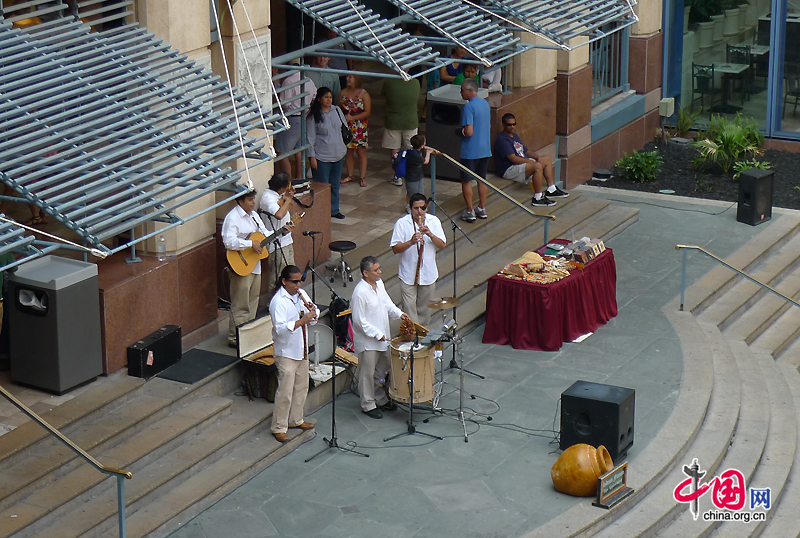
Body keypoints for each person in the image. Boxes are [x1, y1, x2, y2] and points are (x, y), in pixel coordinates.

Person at [351, 256, 410, 419]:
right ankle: (368, 404)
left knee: (382, 368)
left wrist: (400, 314)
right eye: (376, 270)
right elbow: (358, 321)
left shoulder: (380, 284)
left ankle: (380, 398)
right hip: (369, 341)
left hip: (383, 339)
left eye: (379, 268)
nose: (380, 272)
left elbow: (387, 304)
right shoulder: (359, 293)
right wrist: (377, 334)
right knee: (367, 373)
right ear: (365, 273)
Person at [269, 265, 318, 442]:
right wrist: (301, 321)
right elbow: (281, 328)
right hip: (286, 353)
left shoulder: (301, 294)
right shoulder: (278, 302)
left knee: (301, 387)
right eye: (294, 282)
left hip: (301, 349)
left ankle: (296, 419)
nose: (298, 285)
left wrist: (313, 314)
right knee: (285, 392)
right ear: (284, 281)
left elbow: (315, 313)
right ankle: (279, 427)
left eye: (300, 281)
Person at [221, 188, 270, 348]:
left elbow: (264, 234)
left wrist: (281, 232)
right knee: (240, 303)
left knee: (253, 300)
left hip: (254, 264)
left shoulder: (254, 216)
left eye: (253, 199)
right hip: (240, 265)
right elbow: (228, 241)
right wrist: (250, 244)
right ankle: (235, 338)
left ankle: (248, 334)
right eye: (250, 200)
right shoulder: (233, 218)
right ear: (240, 201)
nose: (253, 202)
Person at [390, 193, 446, 327]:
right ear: (410, 208)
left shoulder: (434, 221)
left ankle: (420, 335)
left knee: (425, 310)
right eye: (416, 208)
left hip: (428, 273)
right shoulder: (402, 223)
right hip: (408, 274)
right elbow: (395, 248)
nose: (420, 211)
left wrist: (430, 234)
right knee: (409, 308)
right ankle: (411, 335)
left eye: (423, 208)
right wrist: (410, 242)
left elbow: (442, 245)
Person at [494, 113, 568, 206]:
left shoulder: (514, 136)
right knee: (537, 166)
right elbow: (513, 159)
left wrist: (537, 158)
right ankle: (538, 197)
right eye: (509, 125)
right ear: (503, 125)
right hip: (509, 169)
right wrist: (531, 162)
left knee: (546, 159)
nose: (512, 127)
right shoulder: (502, 140)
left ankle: (551, 189)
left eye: (514, 124)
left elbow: (526, 151)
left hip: (521, 163)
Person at [306, 86, 347, 219]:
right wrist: (311, 156)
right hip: (321, 156)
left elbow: (344, 127)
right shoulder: (314, 116)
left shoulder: (337, 110)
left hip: (338, 153)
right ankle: (321, 210)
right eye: (326, 97)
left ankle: (334, 209)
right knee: (322, 186)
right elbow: (310, 137)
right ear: (319, 99)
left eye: (330, 97)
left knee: (335, 185)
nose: (329, 100)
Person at [274, 59, 317, 178]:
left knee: (282, 153)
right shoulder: (308, 80)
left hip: (291, 118)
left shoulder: (288, 81)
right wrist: (308, 108)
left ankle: (287, 183)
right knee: (298, 150)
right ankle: (299, 179)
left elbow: (284, 104)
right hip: (303, 117)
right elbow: (314, 95)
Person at [458, 78, 491, 222]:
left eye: (462, 90)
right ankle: (482, 208)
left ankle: (470, 210)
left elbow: (469, 131)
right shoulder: (485, 104)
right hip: (485, 148)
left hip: (470, 150)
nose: (461, 93)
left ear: (470, 91)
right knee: (481, 179)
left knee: (466, 181)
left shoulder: (468, 107)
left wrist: (461, 132)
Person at [260, 172, 297, 296]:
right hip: (277, 244)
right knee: (278, 278)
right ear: (282, 187)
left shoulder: (278, 196)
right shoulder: (268, 198)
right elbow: (279, 214)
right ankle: (273, 303)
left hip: (286, 240)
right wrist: (288, 199)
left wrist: (287, 198)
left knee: (291, 275)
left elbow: (286, 210)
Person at [381, 74, 421, 187]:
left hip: (393, 121)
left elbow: (383, 94)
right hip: (411, 121)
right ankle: (411, 174)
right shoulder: (415, 82)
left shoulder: (389, 82)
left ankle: (397, 176)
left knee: (395, 151)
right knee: (412, 149)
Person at [338, 74, 371, 188]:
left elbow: (367, 111)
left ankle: (362, 177)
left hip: (359, 126)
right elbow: (338, 107)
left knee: (361, 151)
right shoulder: (342, 93)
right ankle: (350, 174)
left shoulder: (364, 94)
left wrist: (353, 118)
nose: (348, 79)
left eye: (350, 77)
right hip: (346, 125)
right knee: (349, 150)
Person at [403, 134, 436, 210]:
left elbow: (425, 147)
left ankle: (417, 206)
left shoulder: (413, 150)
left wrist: (433, 149)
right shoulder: (415, 156)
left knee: (420, 192)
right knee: (412, 194)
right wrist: (428, 153)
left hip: (418, 176)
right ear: (421, 145)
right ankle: (410, 207)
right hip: (412, 178)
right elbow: (426, 161)